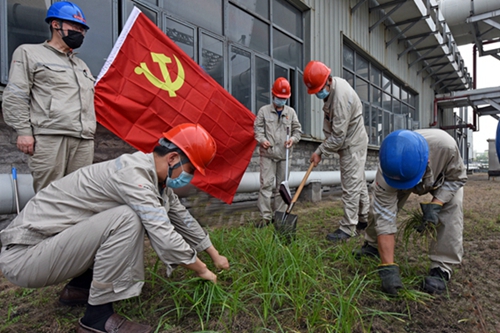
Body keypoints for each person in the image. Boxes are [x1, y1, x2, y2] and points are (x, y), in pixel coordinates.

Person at [0, 123, 230, 333]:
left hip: (46, 248)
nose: (190, 177)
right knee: (128, 218)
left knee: (118, 218)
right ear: (172, 159)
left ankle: (79, 288)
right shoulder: (134, 177)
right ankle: (97, 319)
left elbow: (182, 218)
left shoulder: (153, 180)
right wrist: (201, 270)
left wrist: (214, 254)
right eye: (190, 170)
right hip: (25, 257)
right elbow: (162, 232)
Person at [354, 129, 467, 295]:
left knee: (453, 205)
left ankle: (441, 267)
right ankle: (373, 245)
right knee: (376, 210)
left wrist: (436, 204)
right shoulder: (388, 170)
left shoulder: (446, 148)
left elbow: (456, 178)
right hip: (397, 178)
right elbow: (384, 217)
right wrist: (388, 267)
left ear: (427, 161)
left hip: (441, 178)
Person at [2, 2, 95, 193]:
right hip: (50, 137)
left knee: (79, 195)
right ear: (55, 25)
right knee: (49, 196)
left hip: (83, 139)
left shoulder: (82, 65)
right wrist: (23, 131)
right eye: (75, 27)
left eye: (83, 29)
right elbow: (16, 95)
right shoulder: (29, 53)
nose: (81, 33)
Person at [303, 60, 369, 241]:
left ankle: (348, 228)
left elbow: (338, 138)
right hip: (353, 141)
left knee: (350, 185)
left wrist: (320, 151)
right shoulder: (332, 90)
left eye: (319, 90)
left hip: (352, 145)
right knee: (359, 182)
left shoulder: (340, 98)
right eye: (315, 91)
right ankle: (364, 218)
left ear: (328, 80)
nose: (318, 94)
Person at [254, 77, 302, 227]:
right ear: (272, 94)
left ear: (288, 97)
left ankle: (279, 216)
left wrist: (293, 139)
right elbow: (257, 130)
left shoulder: (291, 112)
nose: (281, 100)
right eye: (279, 97)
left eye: (284, 98)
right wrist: (262, 140)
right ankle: (265, 218)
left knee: (282, 188)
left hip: (284, 156)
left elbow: (298, 130)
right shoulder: (263, 111)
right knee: (266, 186)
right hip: (268, 154)